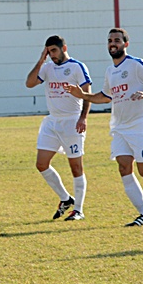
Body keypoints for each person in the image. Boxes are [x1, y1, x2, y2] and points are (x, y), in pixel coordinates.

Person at [67, 28, 143, 227]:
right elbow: (106, 96)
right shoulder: (110, 71)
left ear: (126, 44)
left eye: (116, 40)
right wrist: (83, 95)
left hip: (140, 126)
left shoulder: (135, 64)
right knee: (124, 167)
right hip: (120, 128)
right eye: (110, 41)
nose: (112, 44)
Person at [26, 36, 92, 221]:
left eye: (54, 51)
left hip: (72, 122)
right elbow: (29, 83)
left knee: (76, 167)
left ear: (64, 48)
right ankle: (65, 198)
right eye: (49, 52)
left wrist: (83, 118)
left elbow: (87, 94)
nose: (52, 55)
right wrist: (41, 60)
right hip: (52, 122)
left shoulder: (77, 67)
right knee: (41, 164)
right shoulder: (47, 67)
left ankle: (78, 210)